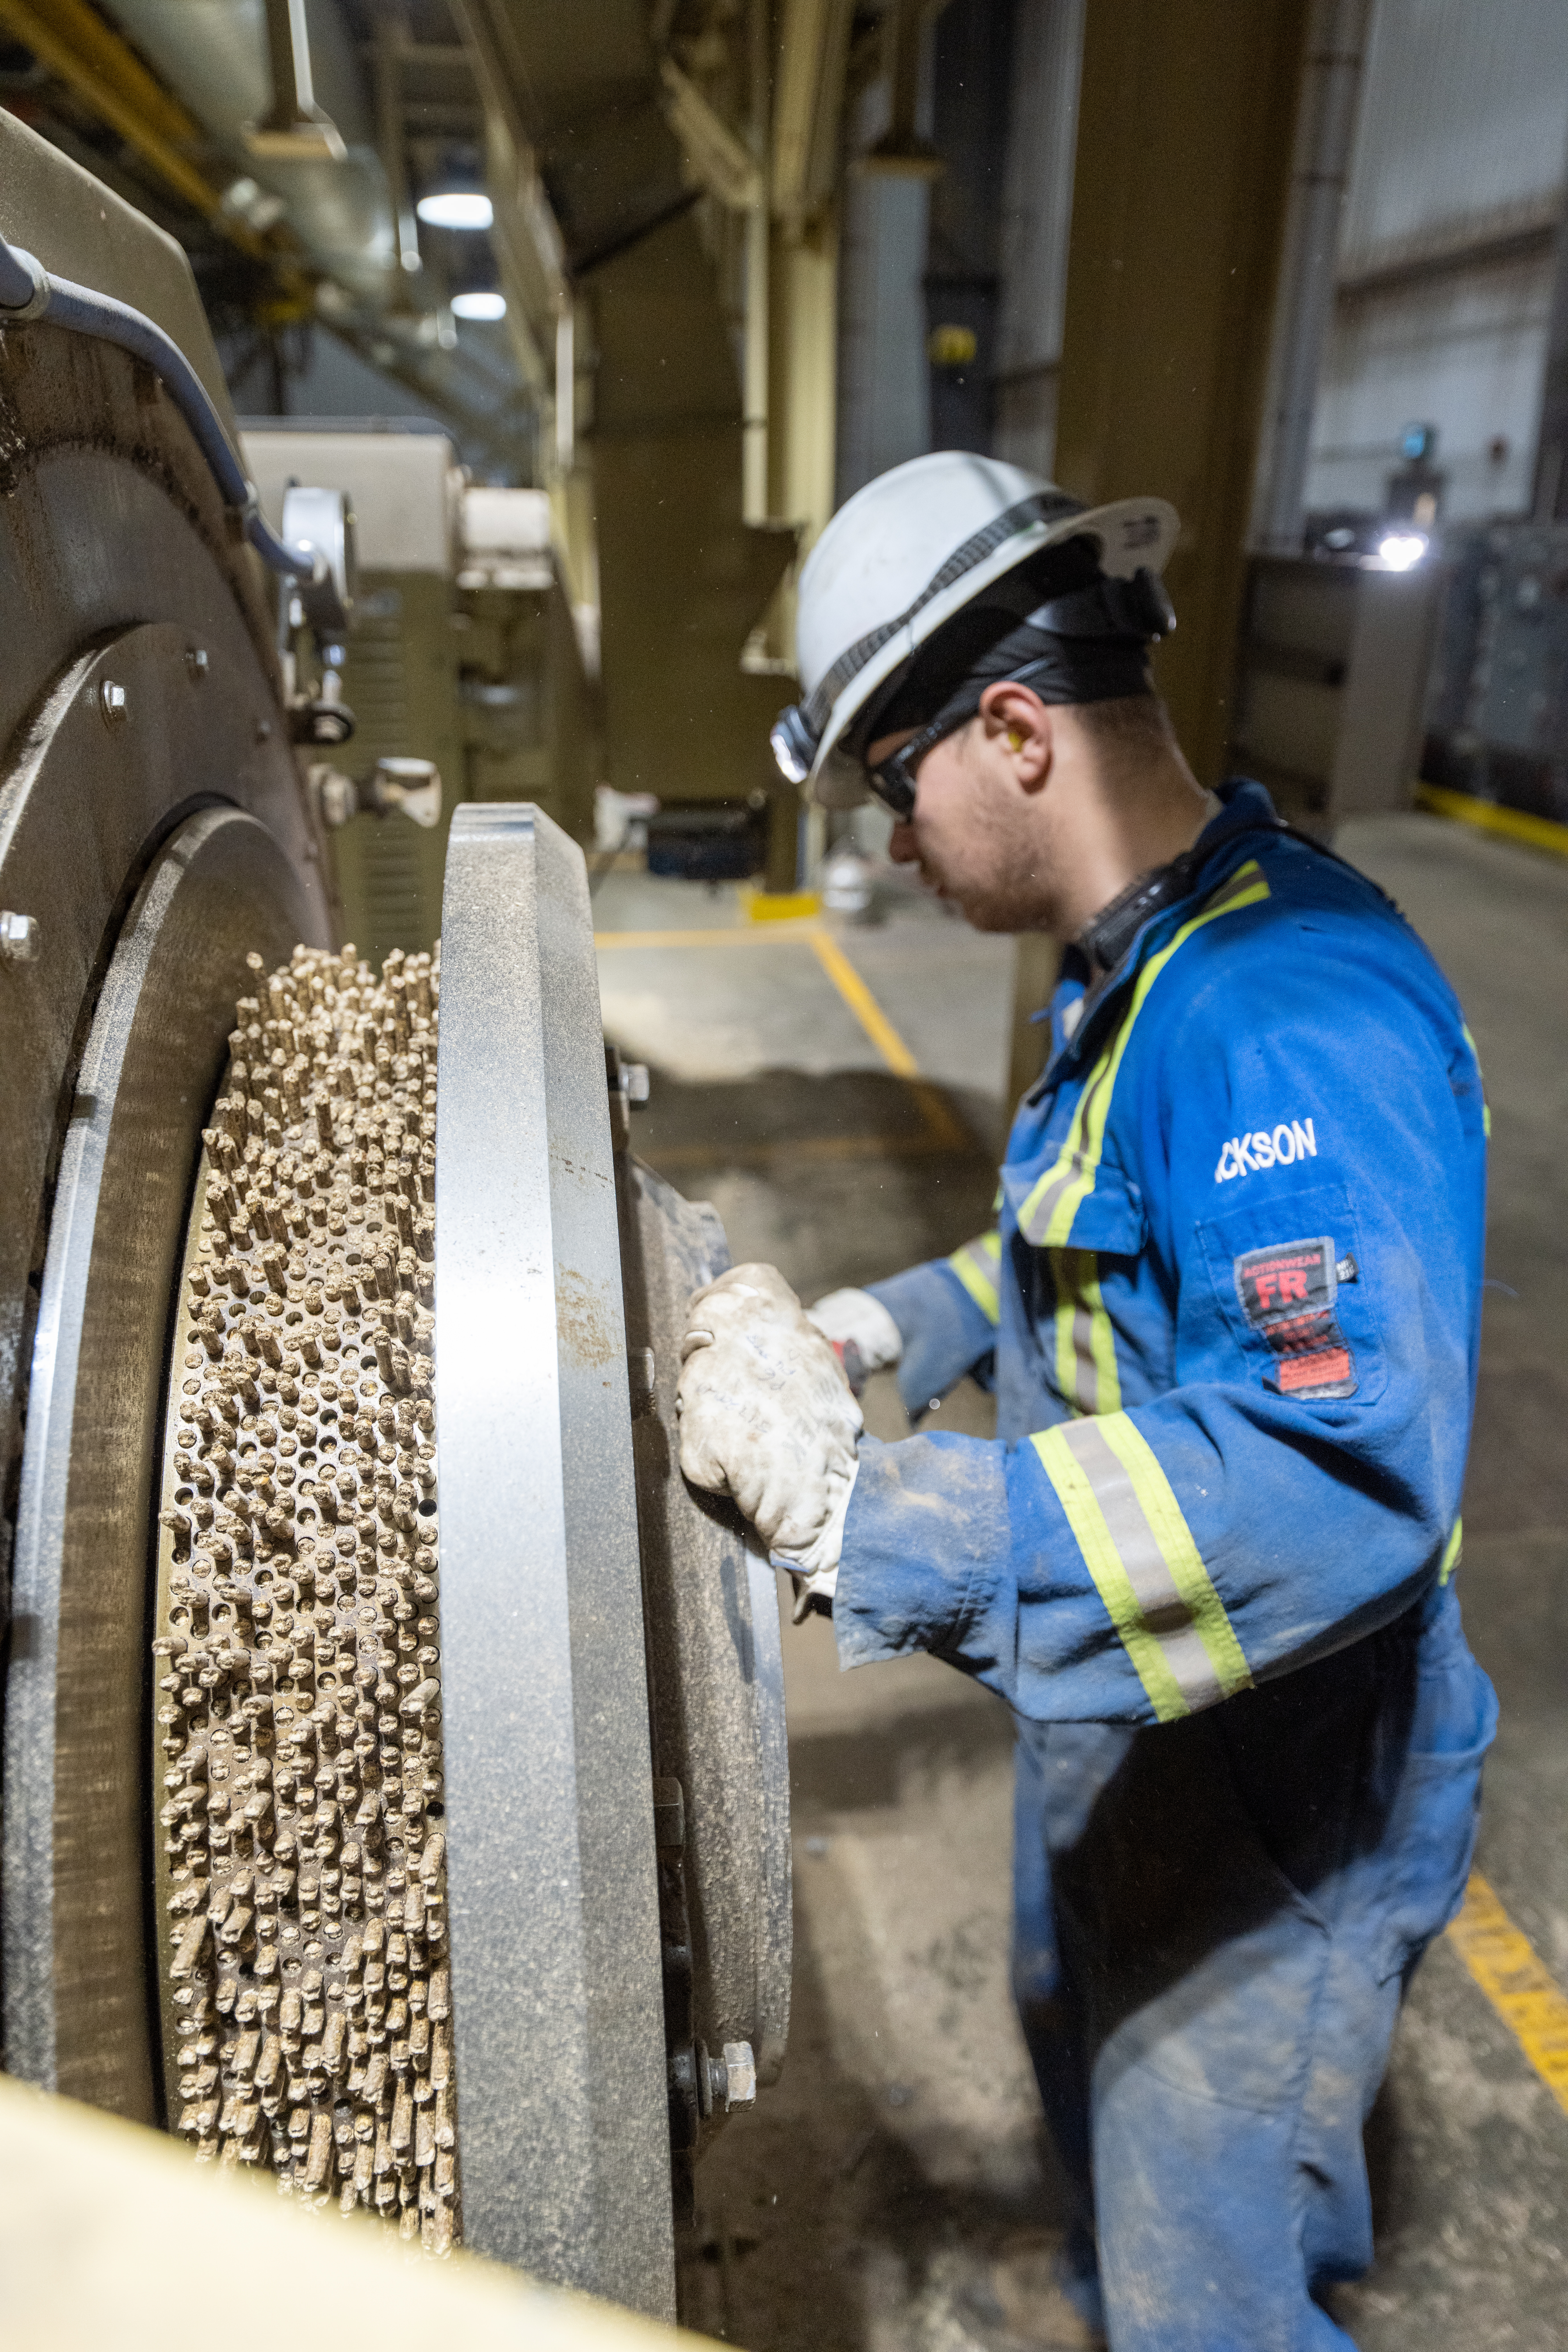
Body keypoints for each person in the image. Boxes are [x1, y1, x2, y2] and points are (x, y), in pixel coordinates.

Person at [676, 454, 1497, 2351]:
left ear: (1018, 732)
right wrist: (868, 1340)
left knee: (1214, 2272)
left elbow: (1337, 1469)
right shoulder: (1140, 972)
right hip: (1138, 1713)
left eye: (894, 786)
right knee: (1094, 2079)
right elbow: (1067, 1264)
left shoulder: (1286, 1013)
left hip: (1284, 1779)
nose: (890, 845)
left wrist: (873, 1520)